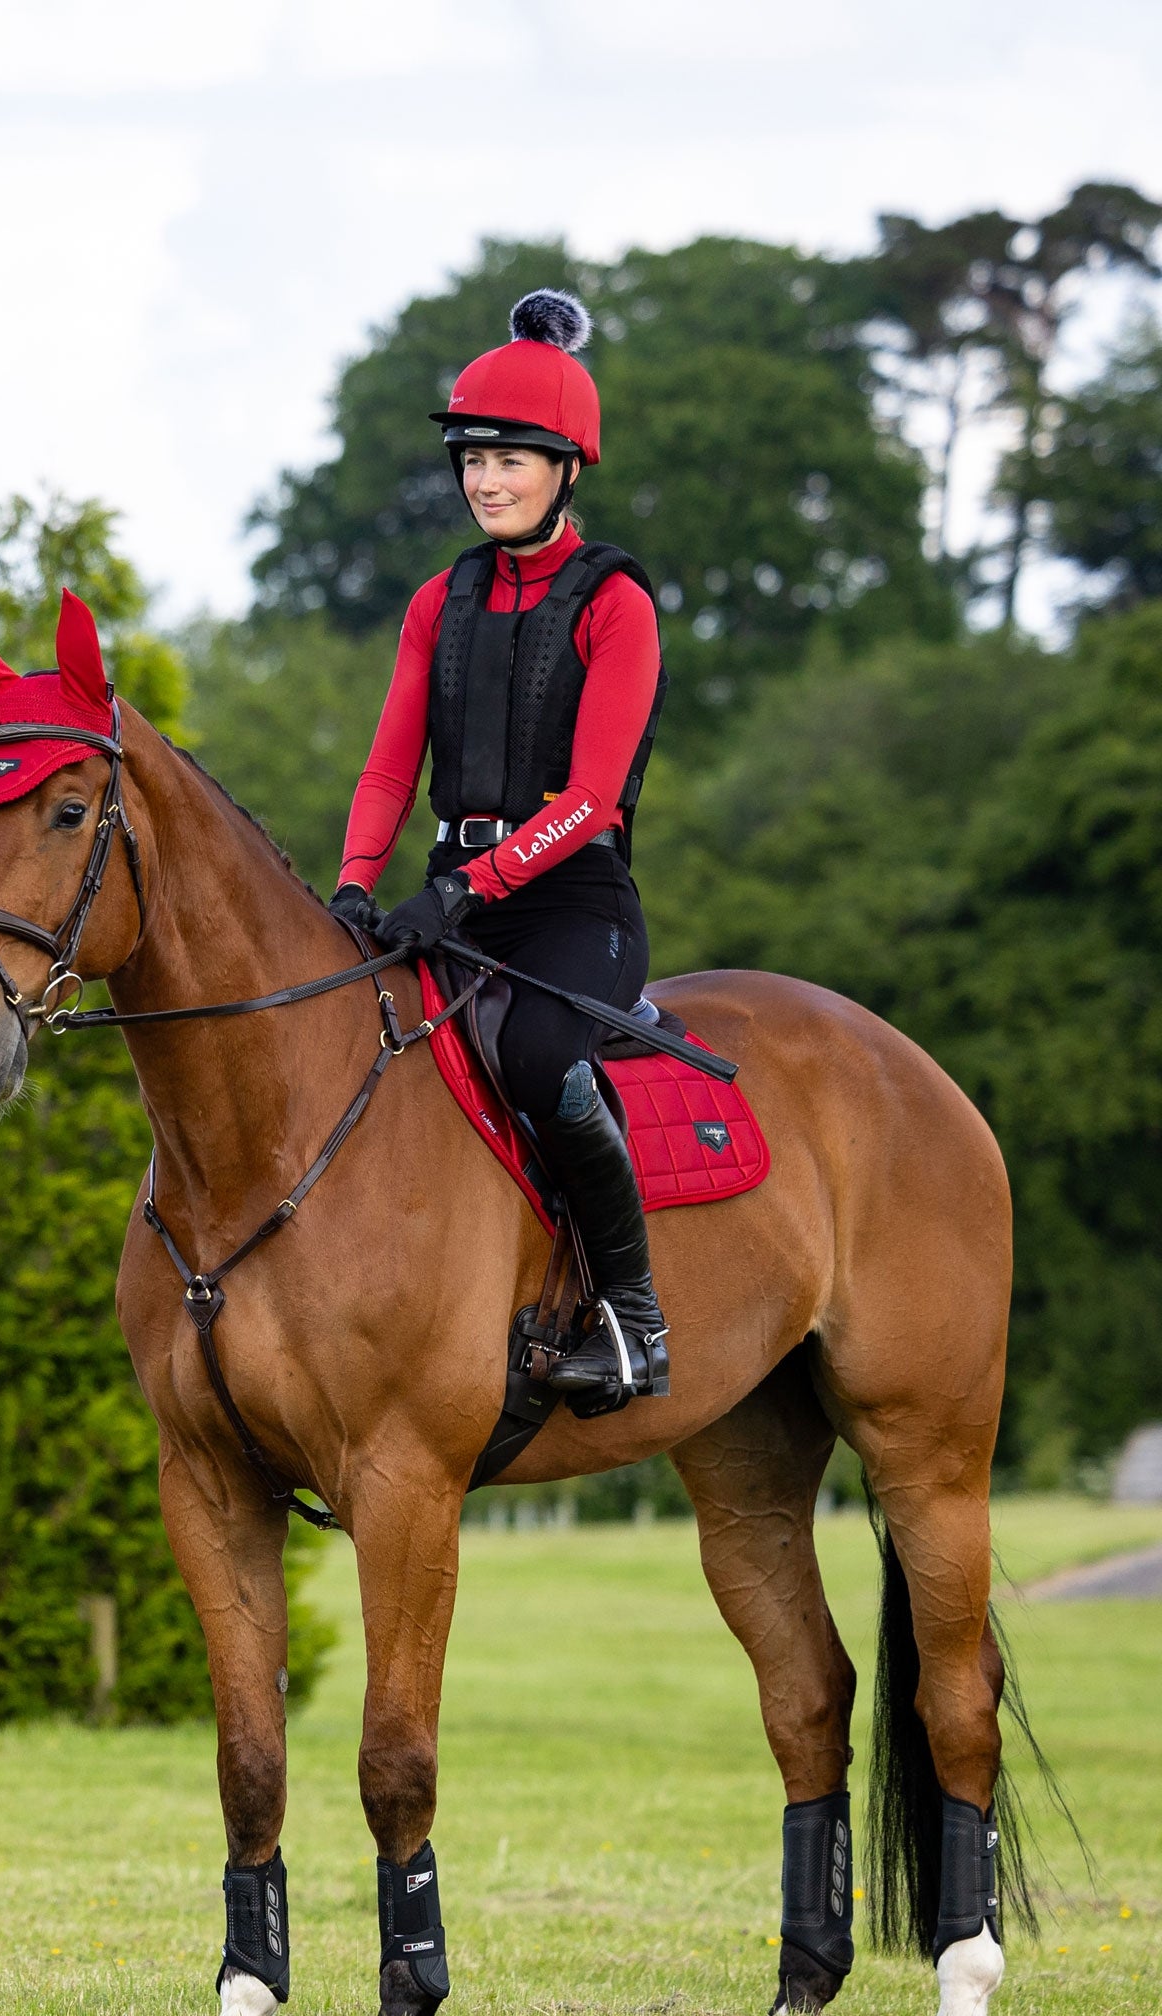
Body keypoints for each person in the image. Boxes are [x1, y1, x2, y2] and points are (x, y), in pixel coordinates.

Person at [328, 288, 670, 1411]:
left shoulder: (617, 604)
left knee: (535, 1062)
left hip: (575, 903)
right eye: (474, 456)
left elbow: (593, 797)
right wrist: (352, 886)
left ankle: (632, 1322)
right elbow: (387, 769)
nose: (486, 478)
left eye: (513, 457)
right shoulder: (440, 599)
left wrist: (469, 885)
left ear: (568, 467)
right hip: (450, 895)